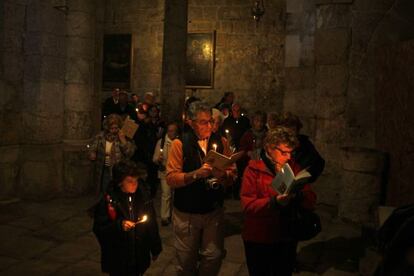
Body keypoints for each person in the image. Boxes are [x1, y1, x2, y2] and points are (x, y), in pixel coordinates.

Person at [166, 101, 236, 276]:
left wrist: (225, 176)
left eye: (211, 121)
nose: (209, 126)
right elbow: (171, 178)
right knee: (186, 261)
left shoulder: (221, 141)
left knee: (213, 257)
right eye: (203, 122)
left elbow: (233, 172)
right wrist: (195, 174)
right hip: (187, 214)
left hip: (213, 211)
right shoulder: (179, 144)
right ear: (191, 122)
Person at [241, 127, 317, 276]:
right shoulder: (253, 170)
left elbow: (312, 199)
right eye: (284, 152)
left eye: (291, 152)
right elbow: (248, 205)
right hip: (259, 237)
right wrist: (274, 202)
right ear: (269, 148)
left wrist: (299, 195)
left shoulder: (294, 168)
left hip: (286, 235)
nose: (288, 157)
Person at [93, 161, 162, 276]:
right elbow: (99, 228)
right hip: (118, 258)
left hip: (139, 255)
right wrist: (119, 226)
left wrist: (155, 248)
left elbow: (152, 225)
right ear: (120, 182)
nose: (134, 184)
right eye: (130, 181)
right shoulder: (109, 200)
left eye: (136, 180)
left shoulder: (143, 197)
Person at [267, 112, 325, 183]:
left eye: (293, 130)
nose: (291, 134)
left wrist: (307, 177)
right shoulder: (275, 144)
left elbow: (319, 163)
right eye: (288, 130)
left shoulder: (305, 144)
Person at [88, 114, 136, 195]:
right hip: (105, 169)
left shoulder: (123, 137)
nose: (114, 130)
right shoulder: (101, 136)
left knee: (117, 191)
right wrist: (92, 153)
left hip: (118, 170)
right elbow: (93, 147)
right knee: (105, 190)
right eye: (111, 128)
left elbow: (129, 153)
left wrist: (123, 141)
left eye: (116, 128)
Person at [152, 122, 180, 226]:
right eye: (169, 131)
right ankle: (164, 216)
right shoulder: (162, 142)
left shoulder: (179, 142)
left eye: (173, 131)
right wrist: (158, 159)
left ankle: (175, 216)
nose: (171, 133)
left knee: (176, 195)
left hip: (176, 172)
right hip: (164, 172)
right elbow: (154, 158)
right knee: (166, 194)